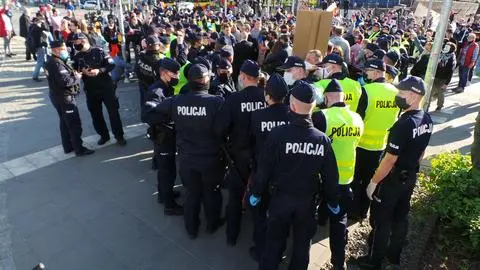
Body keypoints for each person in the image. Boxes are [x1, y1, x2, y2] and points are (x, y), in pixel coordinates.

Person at [249, 81, 340, 270]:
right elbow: (331, 175)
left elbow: (264, 168)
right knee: (302, 245)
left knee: (273, 242)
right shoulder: (321, 139)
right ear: (313, 106)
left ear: (291, 105)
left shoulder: (277, 135)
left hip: (280, 199)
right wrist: (333, 200)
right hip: (307, 202)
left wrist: (256, 192)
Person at [354, 76, 433, 269]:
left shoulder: (403, 124)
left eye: (401, 93)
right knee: (400, 216)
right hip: (409, 176)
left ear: (414, 96)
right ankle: (394, 256)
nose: (397, 96)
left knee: (381, 221)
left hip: (392, 179)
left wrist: (373, 182)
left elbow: (390, 159)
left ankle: (374, 260)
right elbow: (421, 151)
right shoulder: (426, 119)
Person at [145, 64, 225, 237]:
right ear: (205, 80)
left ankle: (191, 228)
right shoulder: (217, 102)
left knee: (191, 194)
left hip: (187, 159)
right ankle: (212, 223)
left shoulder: (176, 101)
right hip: (210, 159)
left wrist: (170, 122)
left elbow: (149, 113)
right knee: (212, 193)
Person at [313, 79, 364, 270]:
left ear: (326, 98)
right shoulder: (357, 118)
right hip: (345, 178)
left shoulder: (322, 117)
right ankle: (338, 262)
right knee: (339, 222)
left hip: (322, 178)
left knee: (312, 209)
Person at [216, 60, 266, 246]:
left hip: (239, 157)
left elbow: (220, 128)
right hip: (262, 157)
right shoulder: (267, 97)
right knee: (260, 196)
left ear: (244, 77)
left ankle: (231, 236)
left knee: (235, 198)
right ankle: (259, 239)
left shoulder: (234, 99)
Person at [350, 59, 400, 221]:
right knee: (372, 179)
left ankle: (352, 210)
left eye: (369, 71)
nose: (366, 74)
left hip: (362, 144)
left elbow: (358, 117)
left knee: (356, 179)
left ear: (378, 72)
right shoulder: (396, 92)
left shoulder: (367, 90)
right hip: (382, 144)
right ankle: (363, 211)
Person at [248, 73, 290, 261]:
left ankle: (260, 247)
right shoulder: (293, 116)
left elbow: (251, 141)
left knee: (259, 214)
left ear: (267, 95)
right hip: (285, 175)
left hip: (262, 173)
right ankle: (279, 249)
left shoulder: (257, 116)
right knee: (280, 216)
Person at [143, 58, 182, 215]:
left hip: (166, 135)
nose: (177, 76)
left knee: (165, 169)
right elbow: (146, 115)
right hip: (162, 136)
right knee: (168, 170)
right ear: (164, 73)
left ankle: (163, 194)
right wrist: (170, 117)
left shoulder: (166, 87)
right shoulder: (156, 91)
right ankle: (169, 205)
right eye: (175, 73)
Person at [72, 33, 127, 146]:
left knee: (113, 113)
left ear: (84, 41)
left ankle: (119, 136)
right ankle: (104, 135)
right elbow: (75, 70)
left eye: (76, 43)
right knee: (96, 114)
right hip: (90, 89)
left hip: (106, 87)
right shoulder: (77, 56)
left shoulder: (99, 51)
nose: (75, 46)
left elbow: (111, 65)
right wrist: (82, 71)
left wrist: (99, 70)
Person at [45, 41, 94, 156]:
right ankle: (79, 148)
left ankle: (68, 146)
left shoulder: (53, 61)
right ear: (56, 50)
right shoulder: (56, 63)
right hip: (64, 97)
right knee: (74, 123)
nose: (66, 51)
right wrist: (77, 77)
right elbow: (65, 81)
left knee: (64, 122)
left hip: (57, 96)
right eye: (63, 49)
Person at [136, 35, 164, 117]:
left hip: (142, 83)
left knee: (144, 104)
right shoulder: (158, 60)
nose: (159, 46)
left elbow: (137, 69)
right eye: (158, 44)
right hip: (153, 87)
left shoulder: (141, 55)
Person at [432, 42, 456, 111]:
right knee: (430, 92)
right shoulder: (441, 54)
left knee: (441, 93)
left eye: (447, 47)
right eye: (445, 47)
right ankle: (426, 105)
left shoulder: (452, 59)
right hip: (436, 76)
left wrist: (446, 84)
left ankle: (439, 105)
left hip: (444, 79)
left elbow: (450, 72)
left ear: (451, 49)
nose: (445, 48)